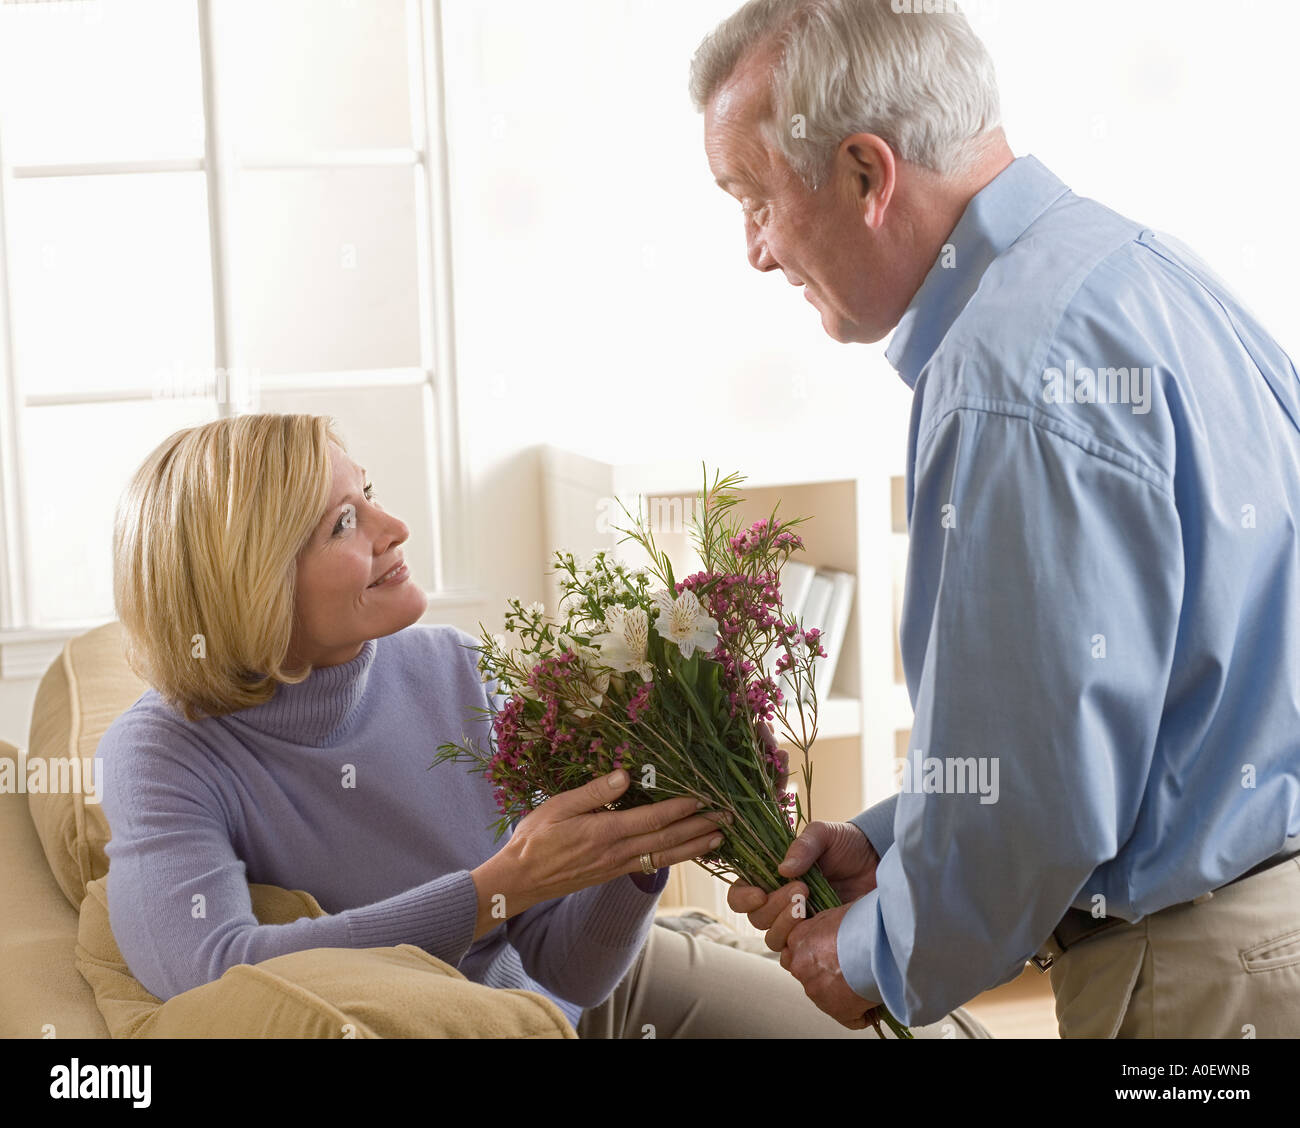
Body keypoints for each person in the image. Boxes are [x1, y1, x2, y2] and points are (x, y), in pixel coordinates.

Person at [691, 0, 1300, 1037]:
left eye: (755, 198)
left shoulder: (1006, 376)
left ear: (865, 174)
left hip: (1201, 983)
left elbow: (1040, 798)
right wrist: (895, 843)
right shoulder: (1143, 270)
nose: (754, 250)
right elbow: (1145, 706)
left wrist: (877, 949)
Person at [100, 412, 989, 1038]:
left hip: (569, 1002)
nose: (393, 525)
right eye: (345, 520)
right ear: (250, 583)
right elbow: (216, 971)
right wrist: (497, 887)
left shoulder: (449, 667)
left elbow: (563, 973)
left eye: (368, 493)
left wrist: (633, 851)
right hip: (484, 1026)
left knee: (935, 1032)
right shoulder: (164, 751)